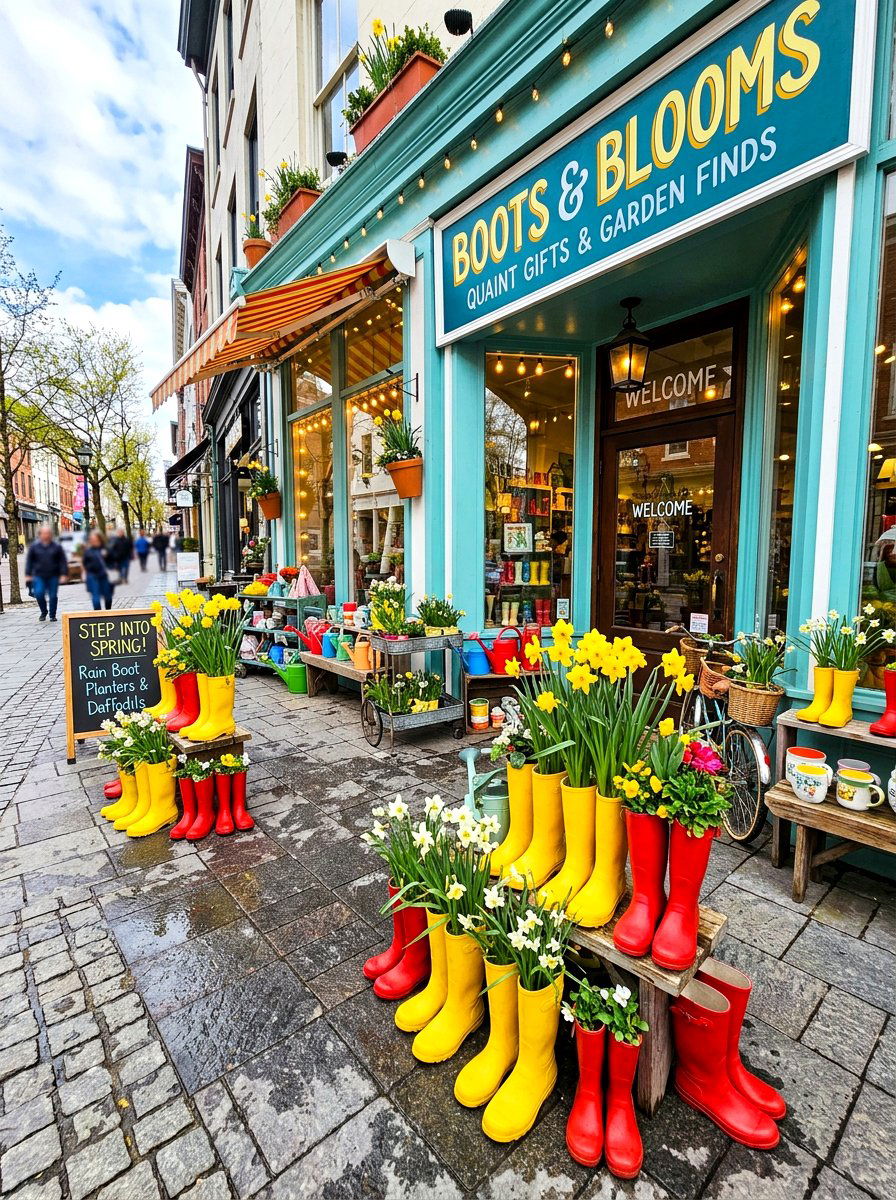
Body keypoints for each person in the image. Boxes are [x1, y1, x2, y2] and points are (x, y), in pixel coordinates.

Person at [24, 525, 68, 623]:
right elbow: (29, 561)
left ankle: (52, 615)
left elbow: (62, 561)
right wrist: (28, 574)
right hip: (39, 575)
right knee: (39, 593)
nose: (46, 535)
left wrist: (64, 574)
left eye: (48, 533)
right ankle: (44, 611)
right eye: (44, 533)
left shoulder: (57, 546)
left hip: (53, 575)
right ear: (40, 535)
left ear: (51, 535)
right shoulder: (34, 547)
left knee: (53, 595)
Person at [83, 532, 114, 610]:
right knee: (96, 599)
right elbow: (84, 564)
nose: (94, 542)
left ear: (100, 539)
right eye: (92, 540)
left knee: (108, 597)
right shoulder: (88, 551)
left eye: (96, 540)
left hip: (104, 575)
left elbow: (113, 561)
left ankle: (108, 612)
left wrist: (107, 557)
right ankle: (98, 615)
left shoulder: (106, 549)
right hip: (92, 575)